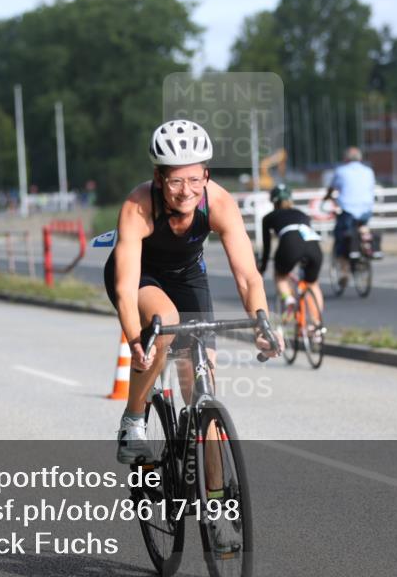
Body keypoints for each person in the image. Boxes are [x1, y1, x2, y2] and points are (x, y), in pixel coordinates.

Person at [104, 120, 280, 458]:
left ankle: (211, 499)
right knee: (164, 321)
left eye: (195, 180)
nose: (187, 191)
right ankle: (133, 418)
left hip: (186, 276)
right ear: (159, 178)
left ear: (207, 176)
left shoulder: (218, 203)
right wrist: (135, 340)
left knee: (201, 386)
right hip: (141, 275)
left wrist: (262, 323)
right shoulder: (138, 206)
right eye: (176, 181)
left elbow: (247, 276)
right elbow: (126, 289)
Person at [258, 184, 325, 313]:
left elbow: (267, 246)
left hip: (290, 243)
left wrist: (263, 268)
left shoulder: (269, 217)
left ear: (273, 201)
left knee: (280, 275)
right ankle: (317, 328)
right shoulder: (302, 214)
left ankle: (288, 299)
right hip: (313, 244)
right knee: (313, 284)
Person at [323, 147, 380, 283]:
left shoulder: (341, 171)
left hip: (348, 210)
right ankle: (366, 244)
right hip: (366, 209)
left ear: (346, 159)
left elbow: (332, 188)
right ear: (360, 158)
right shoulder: (368, 171)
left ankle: (343, 271)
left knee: (341, 238)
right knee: (362, 225)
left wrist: (327, 197)